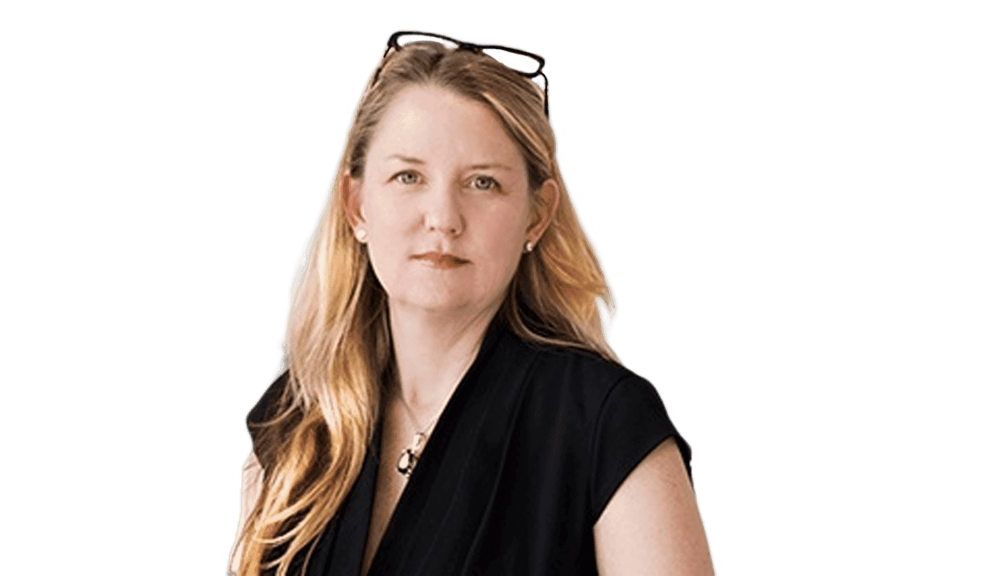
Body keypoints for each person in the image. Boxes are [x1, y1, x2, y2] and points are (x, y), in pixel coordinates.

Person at [227, 29, 715, 576]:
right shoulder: (293, 423)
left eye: (482, 183)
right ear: (357, 205)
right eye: (408, 176)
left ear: (536, 215)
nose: (443, 218)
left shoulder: (606, 423)